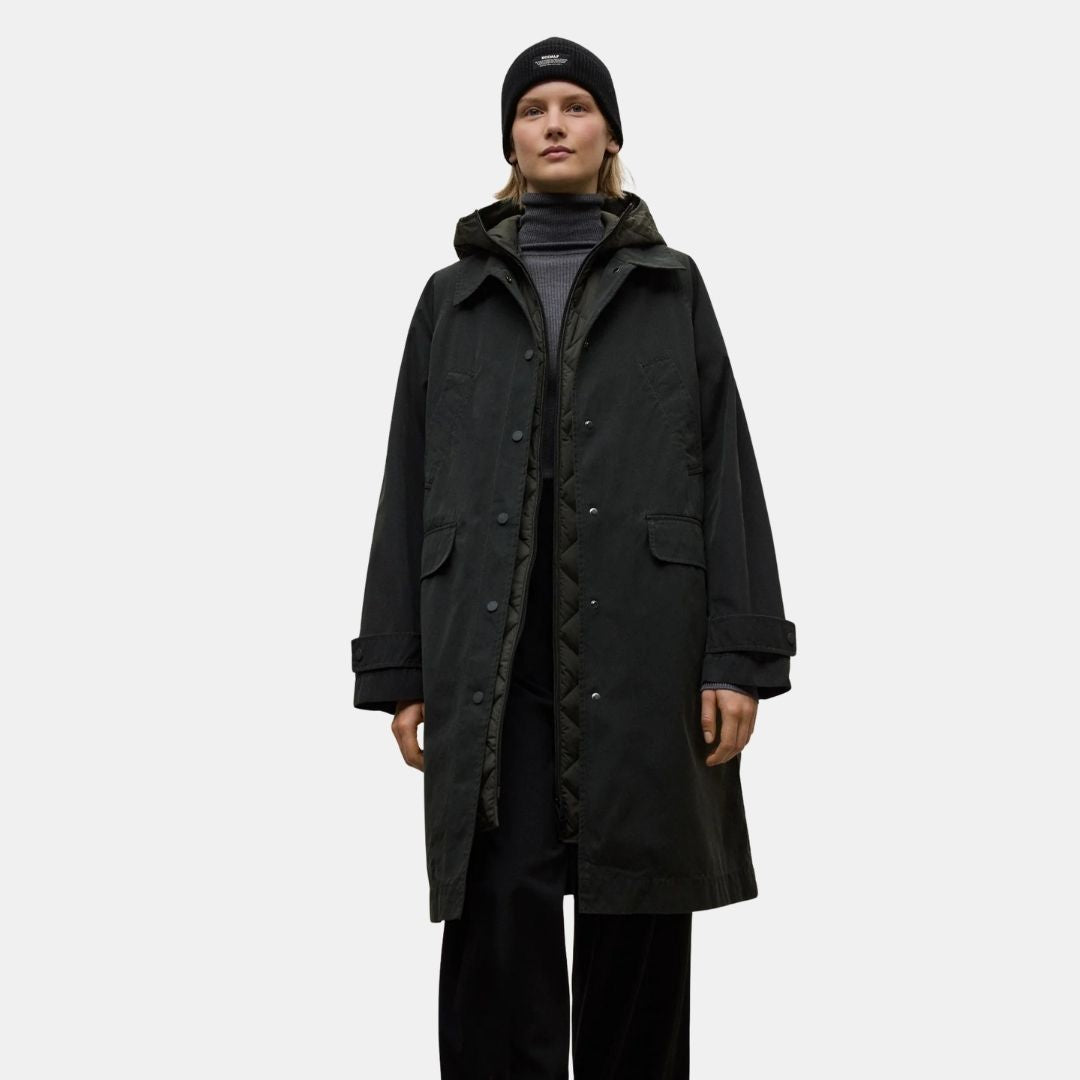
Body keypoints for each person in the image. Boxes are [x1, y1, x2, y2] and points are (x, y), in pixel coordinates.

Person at [350, 36, 797, 1080]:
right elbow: (408, 481)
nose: (554, 123)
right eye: (533, 109)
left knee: (637, 905)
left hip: (644, 643)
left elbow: (725, 470)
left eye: (576, 106)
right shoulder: (451, 298)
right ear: (510, 140)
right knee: (496, 914)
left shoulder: (672, 287)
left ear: (610, 134)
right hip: (491, 655)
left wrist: (736, 657)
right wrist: (401, 667)